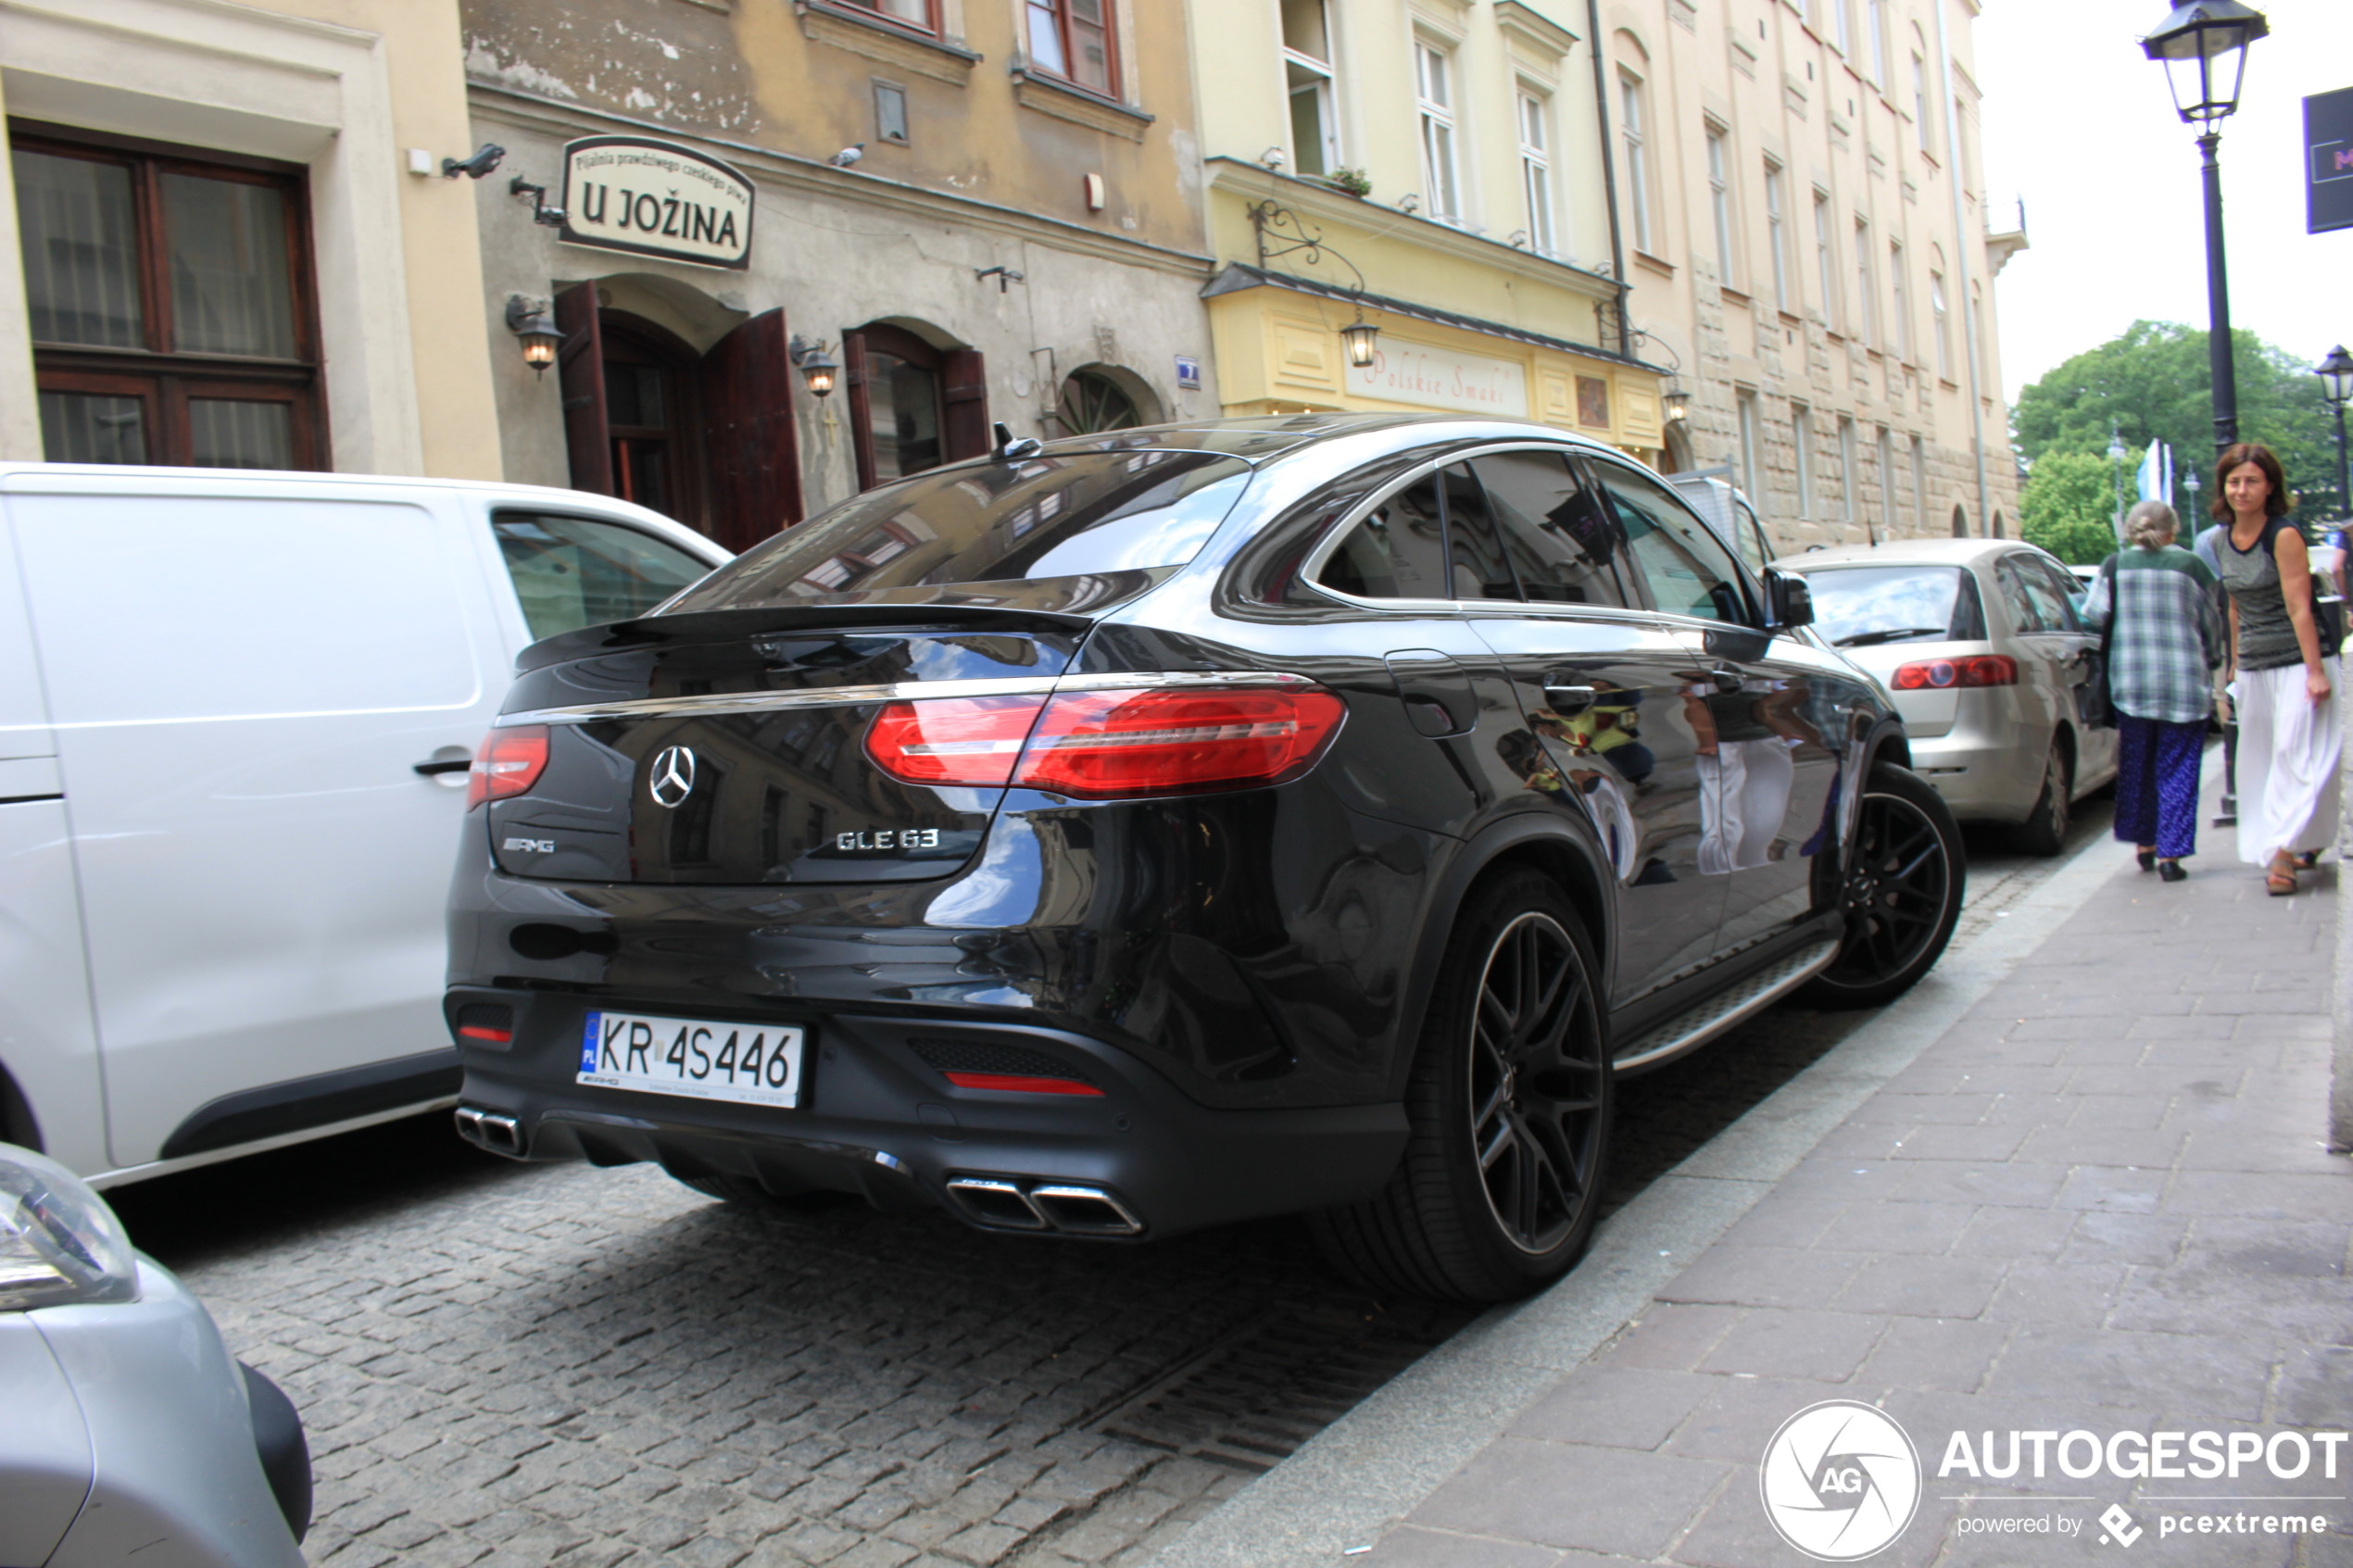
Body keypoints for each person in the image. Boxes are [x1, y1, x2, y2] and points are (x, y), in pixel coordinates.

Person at [2209, 443, 2342, 894]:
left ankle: (2283, 855)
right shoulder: (2217, 540)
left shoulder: (2283, 535)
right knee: (2263, 759)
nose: (2241, 490)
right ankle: (2302, 840)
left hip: (2298, 661)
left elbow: (2299, 606)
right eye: (2234, 481)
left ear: (2270, 488)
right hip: (2254, 666)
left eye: (2251, 481)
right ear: (2223, 487)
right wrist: (2232, 666)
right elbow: (2232, 607)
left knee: (2297, 754)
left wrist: (2316, 672)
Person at [2083, 500, 2221, 881]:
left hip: (2131, 684)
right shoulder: (2192, 566)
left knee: (2137, 765)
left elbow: (2094, 615)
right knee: (2178, 767)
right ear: (2172, 530)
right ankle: (2171, 856)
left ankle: (2144, 844)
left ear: (2132, 530)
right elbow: (2212, 625)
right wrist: (2212, 659)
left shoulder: (2116, 565)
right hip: (2184, 684)